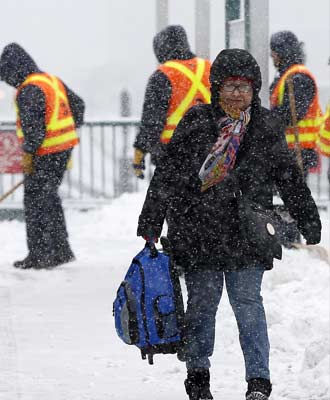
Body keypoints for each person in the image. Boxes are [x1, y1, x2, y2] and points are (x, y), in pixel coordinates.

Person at [137, 49, 321, 400]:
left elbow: (288, 176)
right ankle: (198, 376)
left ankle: (258, 381)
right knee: (202, 307)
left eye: (245, 87)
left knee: (248, 304)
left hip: (247, 233)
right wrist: (151, 219)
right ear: (217, 87)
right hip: (198, 230)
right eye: (231, 86)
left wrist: (307, 216)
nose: (238, 93)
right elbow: (168, 175)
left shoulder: (265, 127)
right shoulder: (195, 122)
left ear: (255, 91)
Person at [0, 42, 85, 269]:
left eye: (7, 76)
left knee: (36, 202)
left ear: (14, 70)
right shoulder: (50, 80)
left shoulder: (29, 89)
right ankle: (61, 250)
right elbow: (79, 106)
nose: (8, 82)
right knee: (49, 199)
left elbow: (33, 128)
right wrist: (67, 131)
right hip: (62, 149)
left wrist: (29, 153)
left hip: (45, 152)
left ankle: (40, 255)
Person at [132, 25, 211, 178]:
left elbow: (152, 122)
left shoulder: (162, 76)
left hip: (175, 159)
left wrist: (139, 152)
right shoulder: (211, 68)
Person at [269, 31, 323, 176]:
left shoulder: (297, 77)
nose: (271, 56)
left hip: (297, 150)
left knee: (292, 196)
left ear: (281, 53)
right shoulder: (287, 75)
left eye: (273, 52)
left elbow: (291, 113)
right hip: (289, 150)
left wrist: (264, 123)